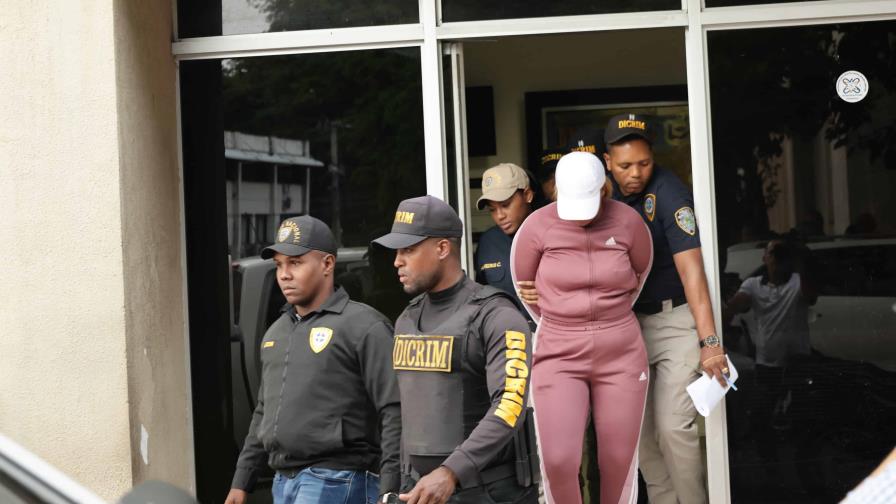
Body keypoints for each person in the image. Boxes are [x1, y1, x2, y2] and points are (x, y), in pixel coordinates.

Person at [372, 195, 537, 504]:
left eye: (408, 249)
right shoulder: (407, 319)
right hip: (419, 490)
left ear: (442, 248)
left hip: (489, 492)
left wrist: (451, 471)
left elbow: (509, 406)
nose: (397, 261)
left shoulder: (497, 315)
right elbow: (400, 411)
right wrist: (390, 487)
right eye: (397, 251)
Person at [225, 216, 401, 504]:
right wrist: (242, 480)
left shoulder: (364, 326)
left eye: (295, 263)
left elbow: (394, 409)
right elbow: (264, 410)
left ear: (327, 264)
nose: (284, 274)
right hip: (283, 480)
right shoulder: (276, 332)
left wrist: (390, 487)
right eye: (279, 265)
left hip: (339, 477)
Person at [510, 151, 653, 504]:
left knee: (617, 460)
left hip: (620, 351)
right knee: (559, 459)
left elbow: (640, 275)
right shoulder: (536, 227)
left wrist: (607, 315)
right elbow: (523, 286)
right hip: (558, 351)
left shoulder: (629, 222)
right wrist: (563, 318)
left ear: (604, 189)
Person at [601, 113, 726, 504]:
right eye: (625, 165)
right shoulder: (603, 197)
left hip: (674, 322)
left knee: (673, 427)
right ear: (607, 161)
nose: (635, 173)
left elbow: (693, 273)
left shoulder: (669, 193)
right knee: (640, 435)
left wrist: (710, 342)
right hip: (628, 328)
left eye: (644, 162)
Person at [475, 163, 536, 328]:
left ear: (527, 195)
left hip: (550, 334)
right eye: (492, 209)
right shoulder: (488, 242)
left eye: (505, 205)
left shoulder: (552, 233)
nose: (499, 216)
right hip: (504, 336)